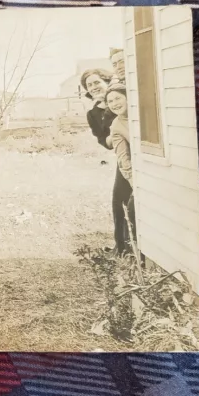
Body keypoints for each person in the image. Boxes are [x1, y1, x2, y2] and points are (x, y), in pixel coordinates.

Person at [80, 68, 130, 256]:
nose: (93, 87)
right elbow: (105, 142)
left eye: (96, 82)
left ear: (107, 82)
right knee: (119, 201)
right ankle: (121, 247)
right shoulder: (93, 113)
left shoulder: (122, 98)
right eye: (89, 85)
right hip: (122, 154)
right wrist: (116, 134)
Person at [105, 83, 136, 246]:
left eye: (118, 98)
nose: (115, 103)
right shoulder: (116, 125)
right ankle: (130, 248)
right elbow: (123, 159)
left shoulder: (142, 112)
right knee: (131, 207)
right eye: (110, 101)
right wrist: (134, 182)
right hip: (139, 171)